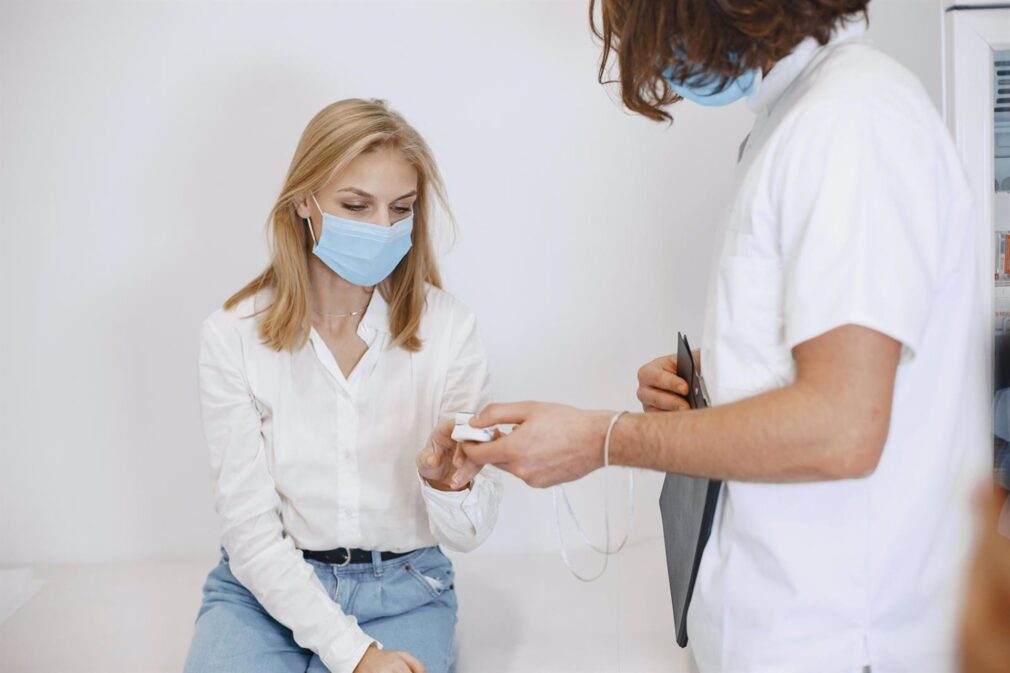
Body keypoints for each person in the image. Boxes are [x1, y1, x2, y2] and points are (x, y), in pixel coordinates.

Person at [462, 2, 988, 671]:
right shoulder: (799, 120)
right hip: (779, 627)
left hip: (838, 639)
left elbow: (842, 426)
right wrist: (724, 372)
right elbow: (842, 358)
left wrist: (602, 438)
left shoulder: (851, 124)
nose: (662, 53)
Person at [184, 99, 501, 673]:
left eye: (399, 208)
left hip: (405, 589)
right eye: (356, 205)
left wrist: (449, 487)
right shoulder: (232, 335)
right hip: (262, 594)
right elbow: (250, 533)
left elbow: (470, 533)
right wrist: (354, 655)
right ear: (304, 201)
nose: (382, 229)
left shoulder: (450, 329)